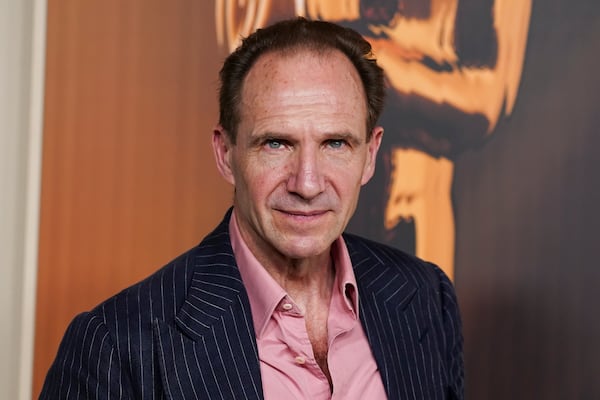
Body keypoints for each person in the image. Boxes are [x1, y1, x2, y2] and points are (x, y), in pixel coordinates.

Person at [40, 17, 463, 400]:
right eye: (276, 143)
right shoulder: (117, 345)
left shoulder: (427, 297)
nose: (308, 184)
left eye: (336, 144)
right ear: (226, 153)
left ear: (370, 155)